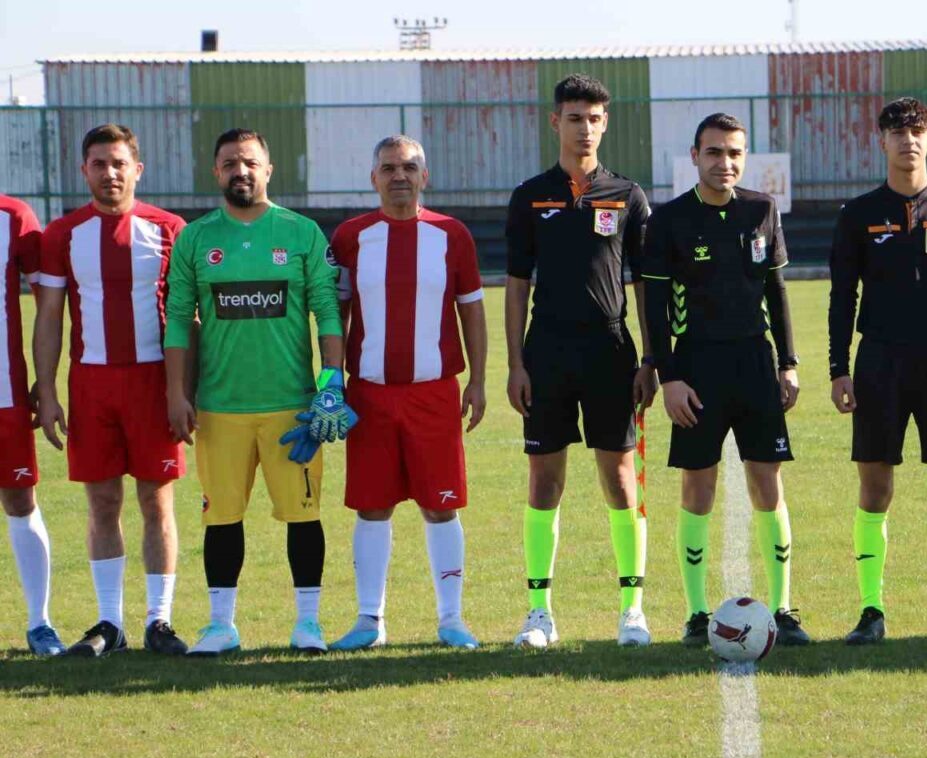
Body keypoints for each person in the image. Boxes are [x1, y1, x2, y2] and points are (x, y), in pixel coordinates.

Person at [164, 128, 346, 656]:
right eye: (229, 164)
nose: (239, 171)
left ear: (268, 169)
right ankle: (221, 626)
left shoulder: (301, 232)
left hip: (292, 407)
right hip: (220, 409)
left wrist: (331, 385)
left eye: (248, 162)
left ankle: (308, 624)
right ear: (215, 172)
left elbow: (326, 312)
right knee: (221, 517)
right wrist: (177, 393)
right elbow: (178, 319)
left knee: (304, 516)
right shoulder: (196, 239)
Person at [828, 97, 927, 645]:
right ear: (881, 141)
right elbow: (842, 296)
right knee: (875, 487)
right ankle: (870, 610)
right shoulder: (857, 213)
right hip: (879, 361)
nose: (908, 140)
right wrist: (838, 368)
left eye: (918, 131)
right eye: (898, 132)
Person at [643, 111, 809, 647]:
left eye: (734, 152)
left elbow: (776, 292)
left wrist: (788, 362)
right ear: (695, 157)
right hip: (696, 369)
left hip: (755, 365)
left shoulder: (762, 209)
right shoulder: (668, 220)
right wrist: (669, 376)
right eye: (714, 152)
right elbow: (653, 307)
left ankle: (783, 609)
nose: (725, 162)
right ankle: (696, 614)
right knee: (698, 487)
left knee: (768, 484)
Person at [504, 74, 655, 648]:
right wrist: (516, 364)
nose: (584, 128)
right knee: (544, 479)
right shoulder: (530, 195)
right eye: (574, 118)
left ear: (605, 123)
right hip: (547, 351)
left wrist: (651, 359)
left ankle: (632, 610)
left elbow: (645, 284)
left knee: (619, 476)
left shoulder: (627, 195)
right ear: (556, 122)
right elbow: (516, 285)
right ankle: (538, 613)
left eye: (593, 118)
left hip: (611, 352)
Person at [328, 135, 487, 651]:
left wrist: (478, 380)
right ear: (373, 177)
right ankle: (369, 620)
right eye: (390, 167)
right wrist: (332, 381)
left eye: (410, 167)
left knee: (441, 507)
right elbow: (335, 314)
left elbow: (472, 310)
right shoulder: (350, 237)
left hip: (433, 394)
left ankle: (451, 619)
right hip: (369, 395)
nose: (400, 175)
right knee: (372, 507)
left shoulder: (452, 235)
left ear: (425, 177)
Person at [35, 124, 189, 657]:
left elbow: (187, 317)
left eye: (119, 163)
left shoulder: (169, 229)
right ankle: (110, 624)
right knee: (102, 502)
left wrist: (183, 390)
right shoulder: (63, 234)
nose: (110, 173)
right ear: (85, 171)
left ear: (137, 169)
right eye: (99, 164)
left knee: (156, 500)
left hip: (154, 384)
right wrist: (47, 390)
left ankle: (159, 620)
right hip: (92, 385)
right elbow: (49, 318)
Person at [1, 194, 62, 655]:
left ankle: (40, 623)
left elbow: (50, 303)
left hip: (4, 392)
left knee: (21, 500)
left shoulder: (13, 216)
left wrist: (45, 379)